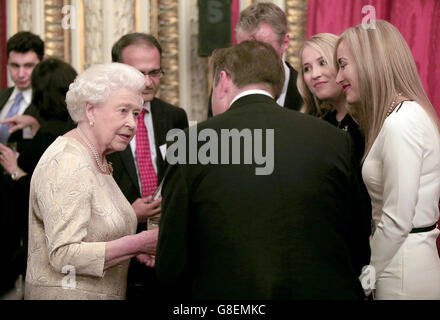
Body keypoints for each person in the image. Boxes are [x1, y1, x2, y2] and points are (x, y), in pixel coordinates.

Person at [156, 40, 370, 299]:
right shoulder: (333, 139)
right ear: (278, 85)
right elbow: (357, 241)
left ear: (223, 80)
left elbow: (172, 260)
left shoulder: (190, 144)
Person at [25, 63, 157, 300]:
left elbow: (97, 235)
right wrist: (137, 243)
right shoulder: (68, 161)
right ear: (90, 111)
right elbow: (64, 255)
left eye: (136, 114)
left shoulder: (97, 159)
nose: (132, 123)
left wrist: (133, 251)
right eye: (123, 111)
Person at [336, 20, 440, 300]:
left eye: (343, 65)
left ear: (370, 61)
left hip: (402, 271)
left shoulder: (401, 123)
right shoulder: (404, 116)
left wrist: (365, 277)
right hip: (403, 261)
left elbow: (396, 220)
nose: (337, 77)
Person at [109, 33, 188, 300]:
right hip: (115, 250)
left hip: (165, 246)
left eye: (155, 72)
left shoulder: (175, 117)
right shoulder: (100, 120)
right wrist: (129, 215)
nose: (148, 81)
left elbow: (180, 178)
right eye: (139, 73)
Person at [0, 58, 76, 299]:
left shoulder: (47, 139)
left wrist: (15, 170)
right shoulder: (73, 127)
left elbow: (41, 197)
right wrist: (34, 124)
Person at [297, 34, 372, 256]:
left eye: (322, 63)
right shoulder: (317, 124)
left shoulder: (370, 121)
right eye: (307, 68)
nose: (315, 74)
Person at [207, 1, 302, 117]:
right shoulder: (223, 87)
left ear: (285, 43)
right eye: (245, 48)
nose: (253, 57)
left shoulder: (307, 91)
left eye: (263, 49)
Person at [0, 31, 44, 144]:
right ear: (7, 65)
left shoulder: (50, 103)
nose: (21, 74)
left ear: (42, 64)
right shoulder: (2, 96)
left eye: (28, 66)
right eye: (15, 66)